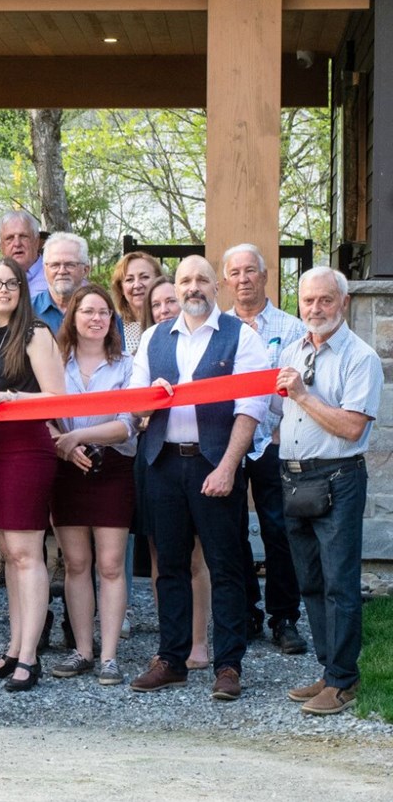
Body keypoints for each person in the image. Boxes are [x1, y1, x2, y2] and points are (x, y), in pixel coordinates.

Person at [128, 255, 268, 702]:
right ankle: (172, 659)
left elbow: (251, 408)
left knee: (226, 567)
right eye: (185, 280)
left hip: (214, 462)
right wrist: (150, 400)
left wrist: (228, 466)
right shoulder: (152, 337)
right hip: (163, 463)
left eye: (201, 280)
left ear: (217, 287)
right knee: (168, 566)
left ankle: (228, 666)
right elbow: (134, 407)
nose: (192, 288)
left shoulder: (242, 337)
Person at [275, 267, 379, 716]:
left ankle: (344, 680)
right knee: (311, 583)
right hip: (295, 477)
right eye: (307, 300)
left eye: (325, 300)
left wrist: (300, 394)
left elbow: (353, 427)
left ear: (344, 303)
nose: (314, 309)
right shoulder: (293, 348)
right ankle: (329, 670)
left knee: (339, 584)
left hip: (338, 478)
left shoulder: (361, 357)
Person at [0, 257, 65, 692]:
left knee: (28, 554)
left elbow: (55, 399)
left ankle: (30, 656)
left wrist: (10, 397)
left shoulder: (35, 332)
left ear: (22, 290)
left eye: (10, 283)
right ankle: (13, 647)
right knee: (9, 555)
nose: (3, 289)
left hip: (26, 450)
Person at [48, 285, 136, 686]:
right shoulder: (55, 364)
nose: (96, 318)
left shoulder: (127, 365)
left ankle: (110, 657)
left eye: (104, 312)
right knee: (77, 564)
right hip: (66, 469)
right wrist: (63, 446)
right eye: (87, 311)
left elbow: (128, 424)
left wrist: (81, 438)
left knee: (111, 565)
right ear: (73, 317)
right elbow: (43, 415)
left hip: (113, 468)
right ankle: (83, 650)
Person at [222, 243, 307, 655]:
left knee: (280, 530)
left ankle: (284, 617)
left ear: (265, 276)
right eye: (235, 273)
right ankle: (247, 612)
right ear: (226, 280)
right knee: (231, 529)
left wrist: (281, 433)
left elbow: (299, 386)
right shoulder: (218, 329)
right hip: (231, 446)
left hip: (275, 442)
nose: (243, 279)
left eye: (250, 271)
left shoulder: (291, 328)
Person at [136, 273, 215, 669]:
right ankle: (173, 642)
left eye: (170, 302)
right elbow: (135, 407)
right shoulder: (149, 345)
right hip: (154, 458)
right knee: (162, 556)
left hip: (198, 456)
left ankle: (199, 643)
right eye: (157, 305)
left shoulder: (204, 341)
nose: (164, 310)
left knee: (195, 557)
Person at [31, 232, 90, 333]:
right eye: (55, 265)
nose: (62, 271)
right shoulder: (26, 311)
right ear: (45, 269)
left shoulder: (102, 313)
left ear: (85, 270)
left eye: (70, 264)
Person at [110, 251, 163, 354]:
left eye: (144, 277)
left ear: (158, 281)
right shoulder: (112, 327)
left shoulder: (171, 321)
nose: (137, 285)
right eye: (129, 280)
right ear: (121, 288)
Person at [0, 210, 47, 298]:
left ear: (37, 241)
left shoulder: (57, 276)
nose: (17, 244)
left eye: (23, 236)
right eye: (10, 238)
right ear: (1, 246)